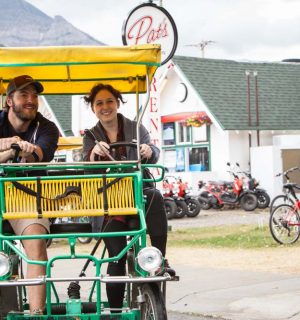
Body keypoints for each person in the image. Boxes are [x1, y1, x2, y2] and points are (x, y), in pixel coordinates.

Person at [82, 83, 175, 313]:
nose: (105, 107)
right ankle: (115, 313)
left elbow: (154, 153)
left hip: (137, 196)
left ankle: (159, 259)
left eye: (109, 101)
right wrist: (94, 154)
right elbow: (87, 170)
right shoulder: (91, 135)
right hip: (109, 201)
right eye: (100, 103)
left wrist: (148, 151)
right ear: (93, 108)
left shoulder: (136, 128)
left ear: (118, 102)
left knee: (154, 195)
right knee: (116, 257)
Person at [0, 75, 59, 314]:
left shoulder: (47, 127)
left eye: (34, 95)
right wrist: (9, 148)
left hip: (26, 196)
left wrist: (21, 149)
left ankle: (36, 314)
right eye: (23, 94)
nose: (31, 100)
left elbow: (40, 154)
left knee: (35, 242)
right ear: (9, 101)